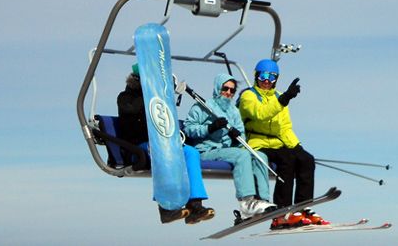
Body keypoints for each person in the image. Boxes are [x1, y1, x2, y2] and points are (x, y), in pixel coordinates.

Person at [117, 64, 215, 225]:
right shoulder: (126, 98)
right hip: (138, 146)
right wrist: (152, 93)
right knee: (162, 153)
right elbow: (132, 110)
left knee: (191, 153)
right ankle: (166, 208)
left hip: (163, 143)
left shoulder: (158, 100)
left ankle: (195, 204)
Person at [237, 59, 328, 229]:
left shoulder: (279, 97)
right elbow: (260, 114)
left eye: (272, 77)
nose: (266, 81)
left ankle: (302, 207)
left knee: (306, 159)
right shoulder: (248, 96)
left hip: (278, 142)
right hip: (257, 142)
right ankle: (281, 212)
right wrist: (284, 99)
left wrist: (297, 147)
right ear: (256, 76)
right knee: (287, 161)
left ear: (276, 79)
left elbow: (284, 127)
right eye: (263, 76)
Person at [182, 73, 276, 219]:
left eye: (232, 91)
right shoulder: (203, 107)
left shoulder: (234, 112)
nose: (228, 93)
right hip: (206, 150)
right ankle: (247, 201)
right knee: (242, 155)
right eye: (225, 88)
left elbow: (242, 137)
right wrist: (210, 128)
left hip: (225, 150)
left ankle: (262, 199)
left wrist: (236, 138)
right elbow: (189, 129)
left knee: (260, 155)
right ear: (218, 88)